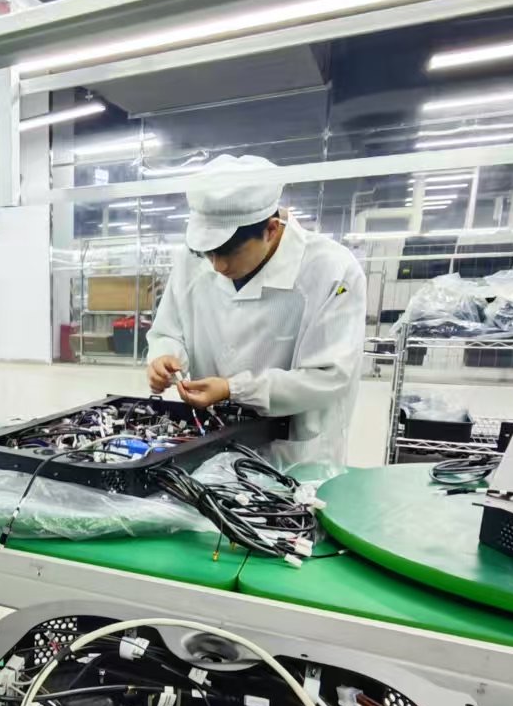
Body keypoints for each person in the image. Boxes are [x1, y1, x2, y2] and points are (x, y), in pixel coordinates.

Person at [144, 154, 364, 475]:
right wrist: (165, 357)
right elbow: (168, 331)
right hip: (210, 444)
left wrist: (234, 389)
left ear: (271, 229)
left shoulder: (332, 271)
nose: (217, 266)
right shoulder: (193, 261)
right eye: (209, 252)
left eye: (229, 252)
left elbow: (331, 377)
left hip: (295, 456)